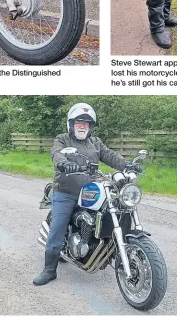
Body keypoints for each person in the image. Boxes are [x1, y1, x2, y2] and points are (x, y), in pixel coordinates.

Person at [33, 103, 142, 286]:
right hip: (65, 191)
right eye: (78, 122)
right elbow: (56, 154)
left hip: (89, 190)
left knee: (112, 209)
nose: (82, 126)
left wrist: (127, 165)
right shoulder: (62, 139)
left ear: (90, 127)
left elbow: (109, 155)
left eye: (86, 123)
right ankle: (49, 270)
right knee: (58, 227)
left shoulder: (95, 143)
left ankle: (104, 248)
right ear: (71, 124)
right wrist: (64, 164)